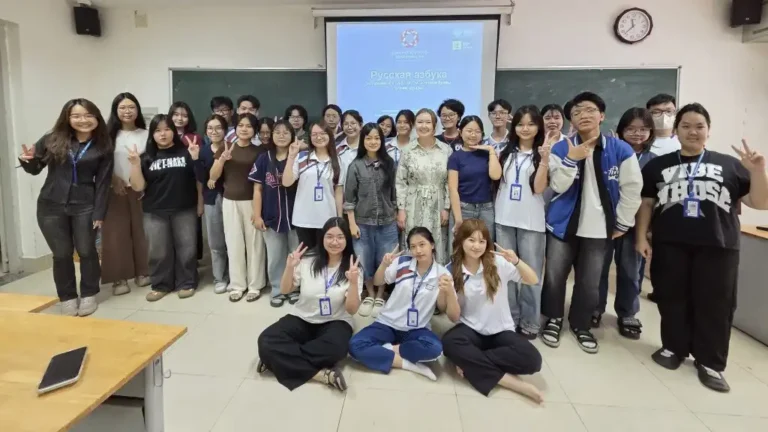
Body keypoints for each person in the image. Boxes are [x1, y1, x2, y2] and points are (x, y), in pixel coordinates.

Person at [636, 103, 768, 393]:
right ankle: (673, 347)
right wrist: (641, 237)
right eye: (686, 126)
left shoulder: (730, 165)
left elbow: (760, 203)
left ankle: (710, 362)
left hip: (718, 246)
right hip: (671, 244)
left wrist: (759, 171)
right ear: (676, 130)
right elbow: (647, 203)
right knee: (671, 297)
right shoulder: (658, 165)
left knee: (716, 304)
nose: (692, 132)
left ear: (709, 130)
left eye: (699, 126)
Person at [540, 92, 643, 354]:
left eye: (589, 110)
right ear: (571, 121)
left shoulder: (620, 149)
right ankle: (553, 318)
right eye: (576, 113)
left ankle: (581, 324)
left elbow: (632, 189)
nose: (583, 115)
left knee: (590, 281)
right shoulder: (561, 148)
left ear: (602, 115)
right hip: (562, 225)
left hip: (599, 229)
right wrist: (571, 158)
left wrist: (622, 224)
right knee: (554, 277)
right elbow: (557, 186)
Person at [18, 98, 113, 317]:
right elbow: (35, 168)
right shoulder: (52, 138)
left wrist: (99, 212)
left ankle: (89, 293)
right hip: (50, 206)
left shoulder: (103, 145)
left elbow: (103, 182)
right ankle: (67, 297)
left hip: (85, 205)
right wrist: (27, 160)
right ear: (67, 118)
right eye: (76, 116)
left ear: (97, 118)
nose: (83, 120)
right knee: (61, 254)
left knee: (87, 251)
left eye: (88, 115)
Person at [442, 219, 543, 401]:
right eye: (471, 240)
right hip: (471, 329)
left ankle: (470, 363)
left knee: (533, 359)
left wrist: (516, 261)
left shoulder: (498, 262)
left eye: (482, 241)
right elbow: (453, 317)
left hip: (500, 330)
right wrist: (449, 291)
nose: (476, 246)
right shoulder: (450, 270)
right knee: (449, 342)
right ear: (461, 241)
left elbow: (533, 280)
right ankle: (515, 384)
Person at [257, 217, 363, 392]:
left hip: (336, 320)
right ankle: (320, 375)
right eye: (329, 236)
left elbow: (351, 310)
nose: (334, 242)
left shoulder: (353, 268)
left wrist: (352, 282)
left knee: (336, 349)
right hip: (303, 317)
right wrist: (289, 267)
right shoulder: (308, 261)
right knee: (266, 340)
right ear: (322, 238)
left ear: (347, 240)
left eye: (340, 237)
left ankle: (277, 360)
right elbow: (285, 290)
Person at [348, 227, 454, 380]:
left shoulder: (442, 273)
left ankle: (386, 350)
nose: (418, 250)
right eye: (413, 246)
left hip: (417, 328)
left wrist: (446, 291)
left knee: (435, 349)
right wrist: (384, 264)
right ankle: (407, 364)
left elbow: (442, 308)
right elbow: (378, 282)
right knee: (355, 344)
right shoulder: (402, 263)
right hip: (387, 323)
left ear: (432, 245)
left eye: (422, 244)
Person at [593, 107, 657, 338]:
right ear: (621, 130)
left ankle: (628, 312)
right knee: (598, 268)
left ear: (651, 132)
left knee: (631, 271)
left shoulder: (653, 161)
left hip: (635, 226)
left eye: (643, 129)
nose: (637, 134)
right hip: (605, 222)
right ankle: (595, 308)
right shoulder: (608, 153)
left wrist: (647, 231)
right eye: (631, 129)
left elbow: (651, 199)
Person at [127, 114, 199, 302]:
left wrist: (195, 158)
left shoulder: (186, 153)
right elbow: (138, 187)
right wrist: (135, 165)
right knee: (158, 251)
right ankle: (161, 285)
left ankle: (187, 282)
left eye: (167, 129)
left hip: (184, 208)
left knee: (187, 248)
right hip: (155, 211)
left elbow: (198, 179)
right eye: (158, 131)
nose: (163, 134)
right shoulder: (146, 157)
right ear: (152, 134)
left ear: (173, 132)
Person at [495, 105, 549, 340]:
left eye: (530, 124)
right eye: (520, 124)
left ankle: (529, 321)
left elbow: (538, 188)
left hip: (531, 222)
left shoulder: (544, 153)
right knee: (505, 273)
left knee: (531, 273)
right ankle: (510, 317)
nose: (525, 129)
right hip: (503, 219)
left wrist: (544, 160)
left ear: (538, 127)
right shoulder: (505, 152)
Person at [209, 113, 268, 302]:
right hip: (230, 201)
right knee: (233, 243)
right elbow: (213, 176)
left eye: (249, 126)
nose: (244, 129)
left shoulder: (259, 151)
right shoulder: (226, 147)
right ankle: (237, 285)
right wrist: (222, 159)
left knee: (255, 245)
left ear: (254, 130)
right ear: (235, 128)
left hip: (252, 201)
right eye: (240, 125)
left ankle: (255, 285)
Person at [344, 123, 398, 317]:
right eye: (368, 138)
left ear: (382, 140)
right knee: (364, 260)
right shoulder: (355, 166)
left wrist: (396, 214)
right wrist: (352, 224)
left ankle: (381, 294)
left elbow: (394, 194)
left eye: (376, 138)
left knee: (386, 260)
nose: (373, 141)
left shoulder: (390, 164)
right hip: (362, 222)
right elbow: (349, 200)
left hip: (388, 222)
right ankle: (370, 294)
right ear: (363, 141)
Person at [101, 92, 150, 296]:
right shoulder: (106, 136)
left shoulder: (146, 134)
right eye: (122, 107)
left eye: (131, 107)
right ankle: (119, 278)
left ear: (137, 110)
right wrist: (113, 179)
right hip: (115, 190)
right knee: (115, 234)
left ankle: (143, 272)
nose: (127, 111)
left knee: (142, 231)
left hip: (141, 189)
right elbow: (100, 162)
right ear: (115, 111)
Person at [250, 120, 299, 307]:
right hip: (271, 216)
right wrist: (257, 215)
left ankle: (294, 289)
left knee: (295, 255)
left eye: (286, 132)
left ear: (292, 135)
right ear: (271, 135)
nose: (281, 135)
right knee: (275, 257)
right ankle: (278, 290)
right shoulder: (264, 158)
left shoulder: (299, 157)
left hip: (296, 217)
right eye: (277, 132)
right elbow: (257, 190)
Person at [396, 108, 452, 263]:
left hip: (438, 204)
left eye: (428, 122)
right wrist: (401, 210)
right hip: (413, 204)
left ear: (434, 126)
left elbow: (449, 181)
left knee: (436, 242)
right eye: (420, 122)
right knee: (415, 241)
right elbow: (401, 182)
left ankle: (437, 275)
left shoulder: (445, 150)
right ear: (415, 125)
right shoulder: (407, 150)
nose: (424, 126)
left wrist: (447, 207)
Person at [283, 122, 345, 253]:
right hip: (303, 218)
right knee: (306, 258)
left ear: (329, 136)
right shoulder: (301, 157)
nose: (319, 137)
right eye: (314, 134)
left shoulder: (337, 160)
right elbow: (286, 182)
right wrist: (291, 156)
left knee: (327, 257)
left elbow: (338, 192)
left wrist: (339, 218)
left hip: (328, 218)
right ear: (310, 137)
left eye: (323, 133)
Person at [448, 115, 501, 244]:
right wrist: (458, 218)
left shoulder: (487, 154)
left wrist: (491, 150)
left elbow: (496, 176)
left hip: (486, 209)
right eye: (469, 131)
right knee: (461, 247)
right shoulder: (455, 157)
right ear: (460, 132)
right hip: (464, 208)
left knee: (485, 246)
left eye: (477, 131)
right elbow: (453, 189)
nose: (473, 135)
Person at [196, 114, 230, 294]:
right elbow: (201, 180)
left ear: (225, 130)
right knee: (216, 242)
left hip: (233, 198)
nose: (214, 131)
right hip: (211, 199)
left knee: (234, 241)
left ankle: (235, 276)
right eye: (210, 128)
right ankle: (219, 277)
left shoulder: (233, 147)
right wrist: (200, 203)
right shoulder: (202, 152)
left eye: (218, 128)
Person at [169, 101, 204, 260]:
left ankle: (191, 260)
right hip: (169, 186)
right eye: (176, 114)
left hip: (190, 186)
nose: (179, 118)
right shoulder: (164, 134)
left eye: (184, 115)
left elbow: (199, 166)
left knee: (190, 229)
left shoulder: (195, 137)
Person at [336, 110, 363, 188]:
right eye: (346, 124)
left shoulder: (368, 148)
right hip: (342, 193)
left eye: (353, 123)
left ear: (361, 125)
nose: (349, 127)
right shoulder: (337, 150)